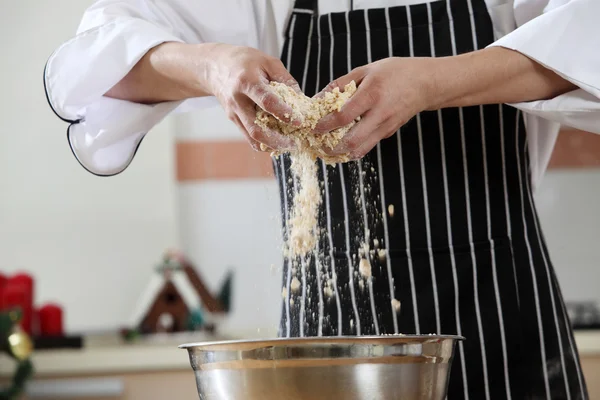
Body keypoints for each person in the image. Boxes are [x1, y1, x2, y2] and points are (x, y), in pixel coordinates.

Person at [44, 0, 597, 398]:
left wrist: (432, 82)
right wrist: (212, 66)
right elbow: (92, 66)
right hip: (326, 351)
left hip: (504, 334)